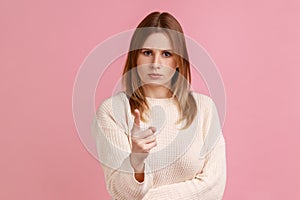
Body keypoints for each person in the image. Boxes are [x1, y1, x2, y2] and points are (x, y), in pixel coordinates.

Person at [91, 11, 227, 200]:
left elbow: (214, 187)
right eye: (147, 53)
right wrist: (136, 161)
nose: (156, 63)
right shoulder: (113, 112)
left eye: (166, 54)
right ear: (135, 57)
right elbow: (122, 194)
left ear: (178, 60)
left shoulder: (204, 109)